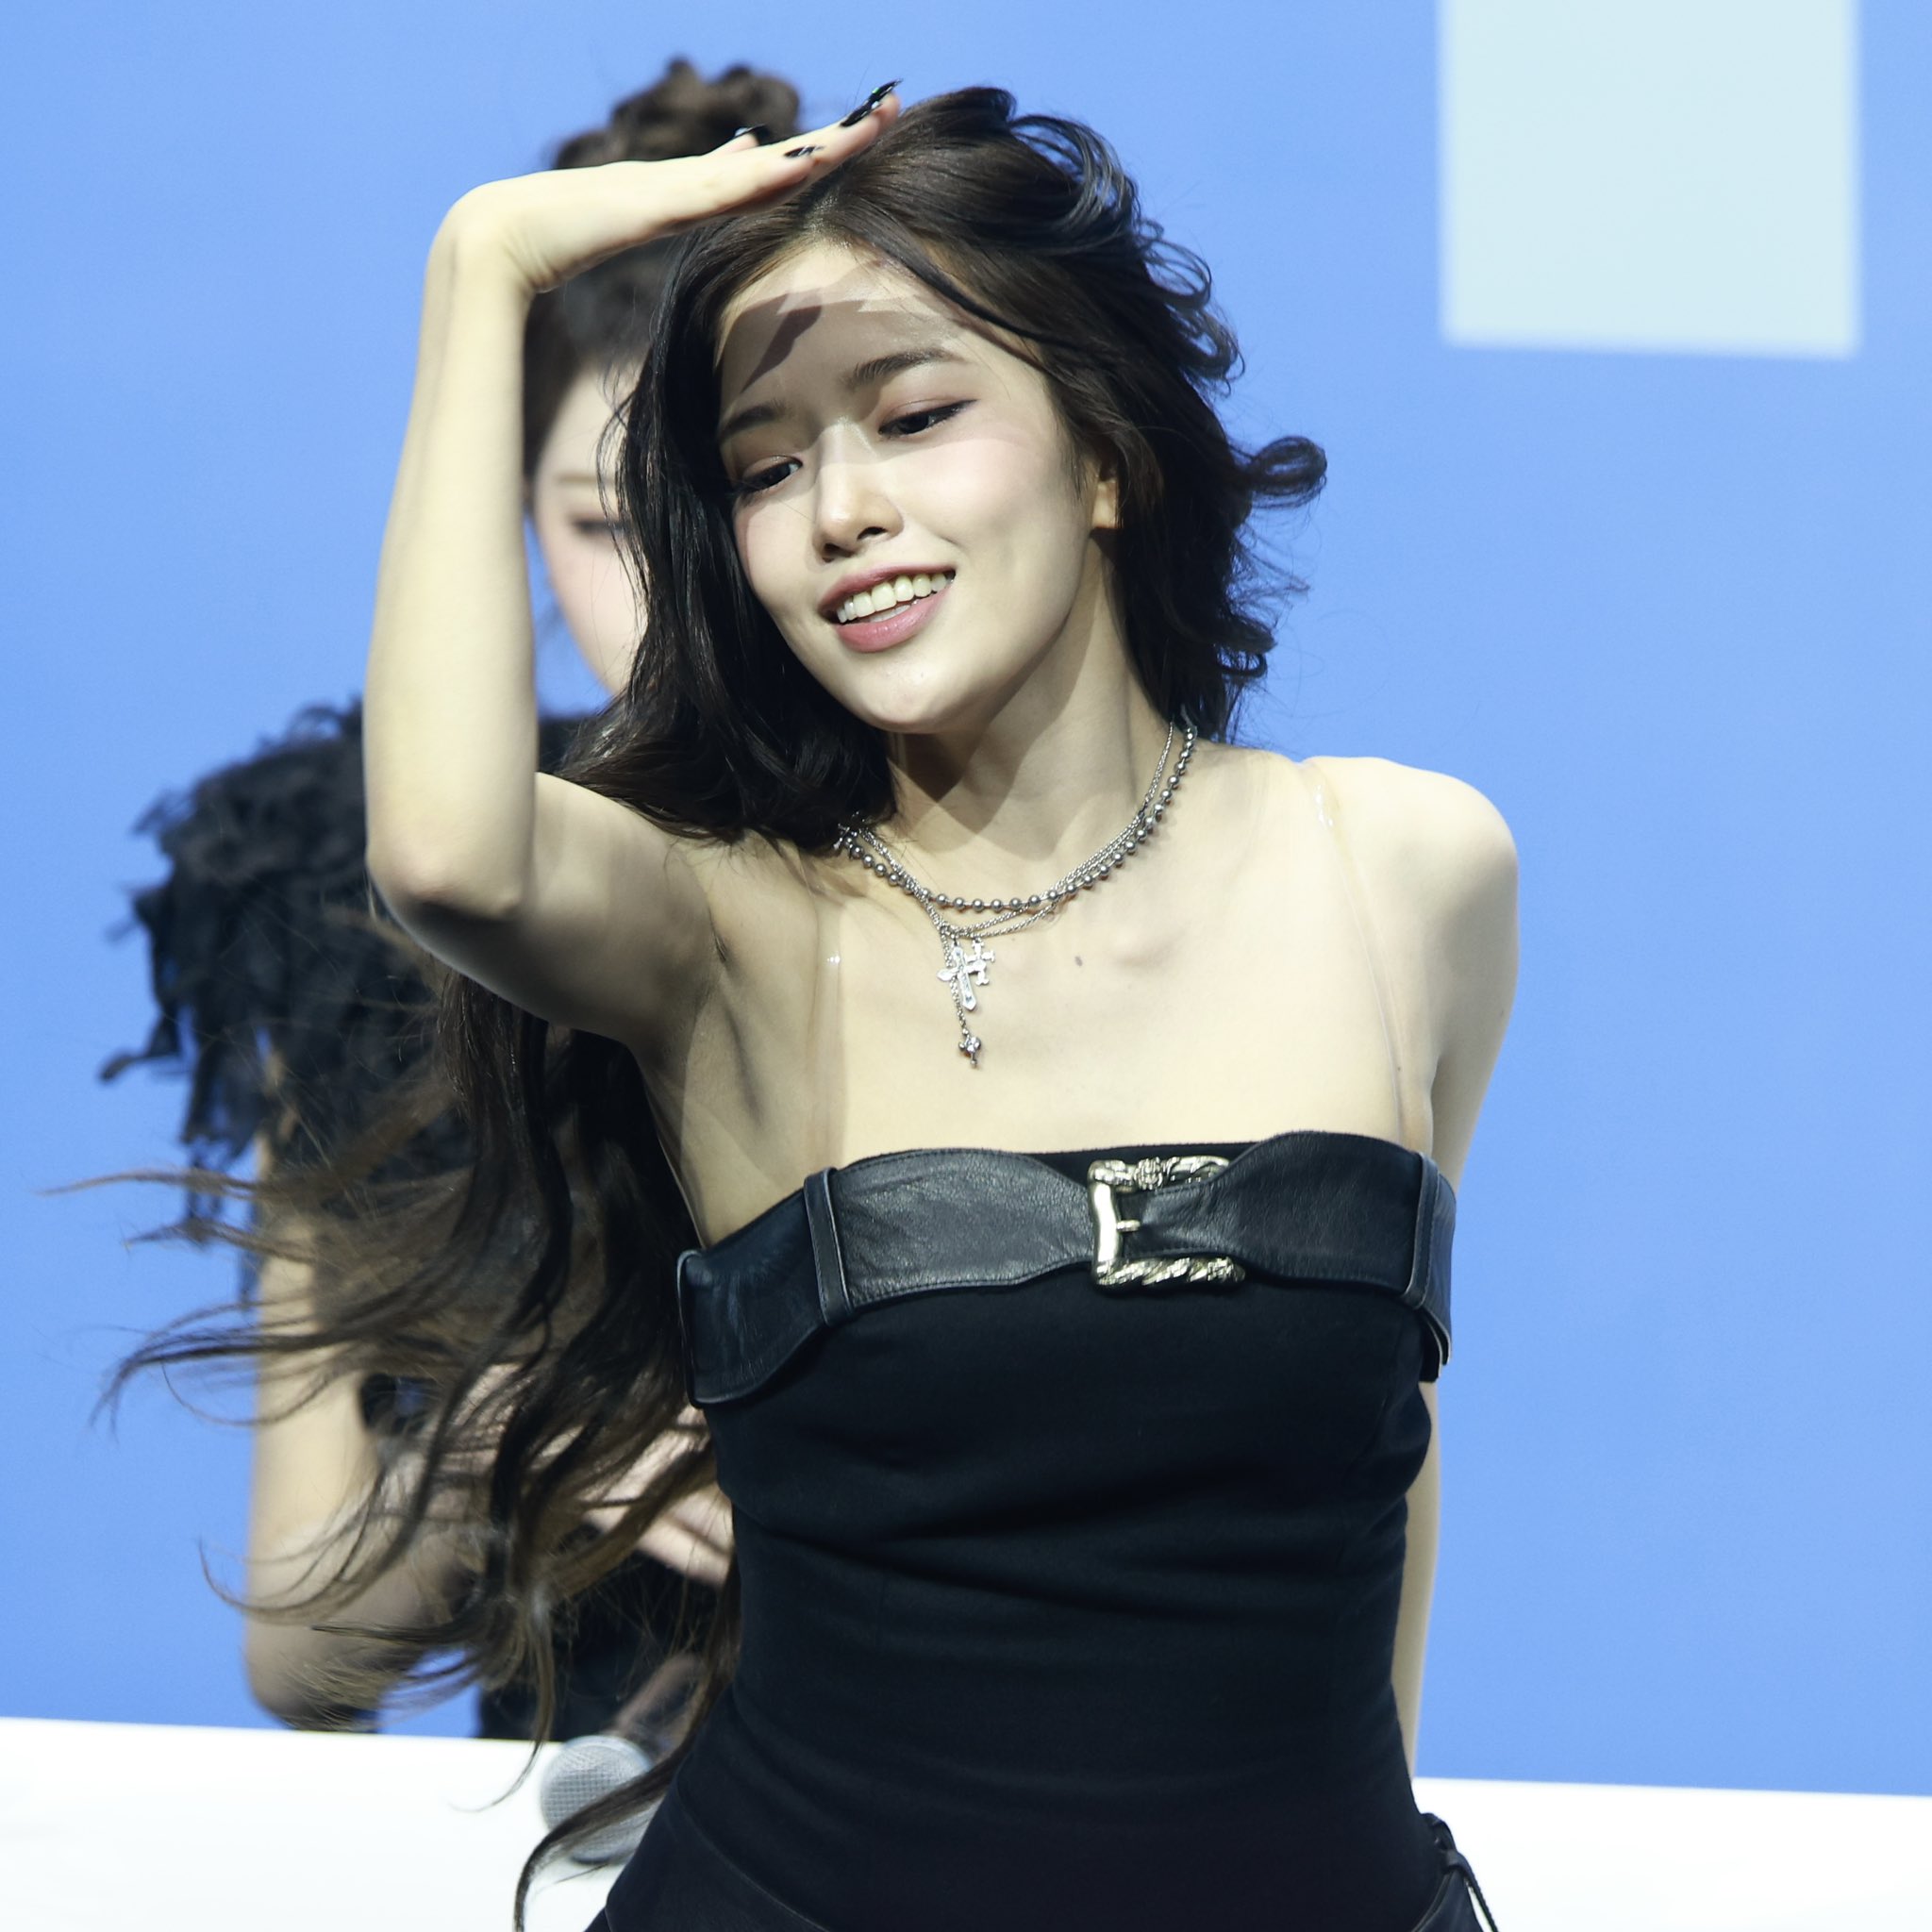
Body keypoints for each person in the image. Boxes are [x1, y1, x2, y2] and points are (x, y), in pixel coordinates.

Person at [162, 78, 1518, 1929]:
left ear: (1105, 455)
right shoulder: (727, 924)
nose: (843, 511)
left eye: (916, 415)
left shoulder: (1410, 872)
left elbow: (1380, 1436)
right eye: (766, 468)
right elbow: (452, 856)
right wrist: (482, 265)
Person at [106, 58, 805, 1738]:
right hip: (579, 1838)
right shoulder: (371, 919)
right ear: (505, 527)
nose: (670, 598)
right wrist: (505, 1447)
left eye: (723, 505)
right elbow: (302, 1653)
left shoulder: (1019, 858)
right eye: (601, 523)